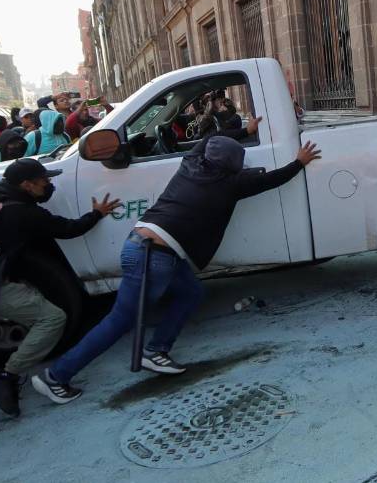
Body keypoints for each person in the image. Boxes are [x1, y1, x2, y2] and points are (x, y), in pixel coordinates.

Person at [34, 135, 321, 403]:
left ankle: (156, 350)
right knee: (118, 322)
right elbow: (272, 180)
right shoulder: (230, 185)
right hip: (154, 258)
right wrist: (299, 162)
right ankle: (56, 376)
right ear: (233, 167)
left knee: (190, 293)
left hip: (145, 247)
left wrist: (244, 130)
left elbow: (206, 140)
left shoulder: (190, 164)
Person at [0, 159, 121, 416]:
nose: (49, 185)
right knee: (52, 319)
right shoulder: (25, 213)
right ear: (26, 185)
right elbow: (68, 229)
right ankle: (6, 376)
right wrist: (97, 213)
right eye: (44, 181)